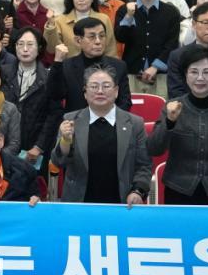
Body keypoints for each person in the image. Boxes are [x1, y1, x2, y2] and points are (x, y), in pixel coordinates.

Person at [52, 64, 151, 206]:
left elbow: (144, 165)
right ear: (85, 93)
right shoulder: (71, 120)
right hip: (79, 203)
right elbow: (58, 162)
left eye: (106, 86)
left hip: (122, 203)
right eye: (93, 86)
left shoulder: (135, 124)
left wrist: (137, 191)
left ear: (116, 91)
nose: (100, 91)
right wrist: (65, 140)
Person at [148, 47, 208, 205]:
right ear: (185, 75)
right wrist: (170, 122)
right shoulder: (171, 106)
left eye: (207, 72)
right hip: (178, 191)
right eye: (194, 72)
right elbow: (154, 148)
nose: (200, 78)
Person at [115, 0, 181, 96]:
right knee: (132, 107)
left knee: (160, 107)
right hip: (132, 74)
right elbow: (120, 37)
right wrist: (128, 17)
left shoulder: (171, 12)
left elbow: (172, 44)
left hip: (161, 76)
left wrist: (155, 67)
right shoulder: (124, 9)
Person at [4, 27, 62, 169]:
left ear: (39, 47)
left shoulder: (48, 77)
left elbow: (54, 115)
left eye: (30, 44)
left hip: (34, 145)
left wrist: (39, 146)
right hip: (5, 143)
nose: (25, 49)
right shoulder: (3, 73)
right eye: (20, 44)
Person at [48, 17, 131, 112]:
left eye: (102, 36)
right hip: (75, 120)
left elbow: (125, 102)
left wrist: (109, 119)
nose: (98, 41)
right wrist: (57, 63)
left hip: (110, 120)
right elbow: (54, 96)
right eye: (92, 37)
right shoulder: (67, 66)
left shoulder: (119, 66)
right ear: (78, 41)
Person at [44, 0, 117, 59]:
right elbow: (51, 49)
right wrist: (51, 26)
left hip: (99, 65)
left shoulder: (103, 19)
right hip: (70, 65)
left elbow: (110, 49)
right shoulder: (60, 20)